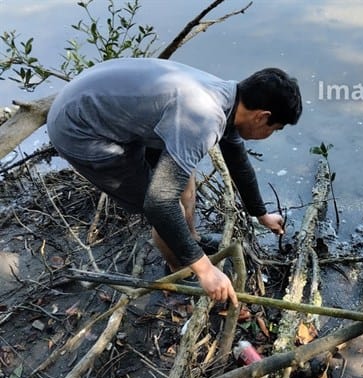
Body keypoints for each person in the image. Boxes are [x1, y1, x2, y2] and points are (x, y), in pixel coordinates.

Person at [46, 58, 303, 308]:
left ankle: (191, 239)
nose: (271, 135)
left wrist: (260, 213)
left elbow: (237, 159)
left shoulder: (228, 96)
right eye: (275, 128)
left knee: (184, 178)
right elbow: (159, 203)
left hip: (99, 107)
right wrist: (204, 269)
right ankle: (178, 271)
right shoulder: (204, 118)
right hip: (80, 130)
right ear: (261, 117)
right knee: (166, 206)